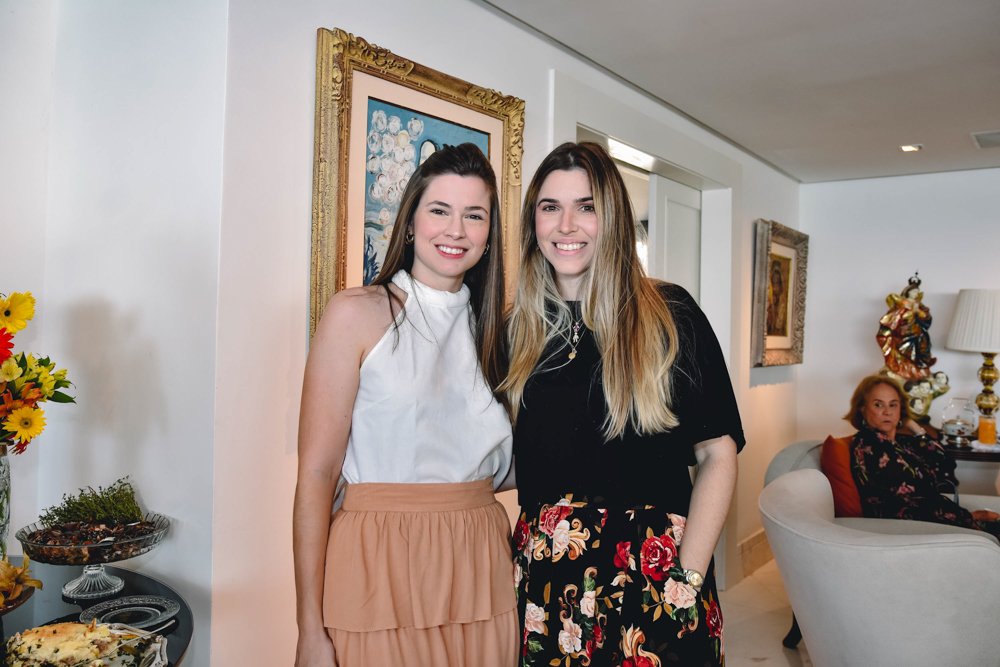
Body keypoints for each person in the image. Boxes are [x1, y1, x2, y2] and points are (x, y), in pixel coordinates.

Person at [503, 142, 743, 666]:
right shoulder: (515, 333)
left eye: (586, 206)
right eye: (550, 207)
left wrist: (687, 578)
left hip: (656, 571)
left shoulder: (670, 315)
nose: (566, 225)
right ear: (533, 222)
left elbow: (717, 455)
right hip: (549, 581)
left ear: (612, 217)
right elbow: (510, 459)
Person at [293, 143, 516, 667]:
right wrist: (308, 628)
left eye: (474, 215)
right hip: (377, 562)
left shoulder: (502, 335)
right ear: (411, 221)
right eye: (440, 210)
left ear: (489, 234)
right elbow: (317, 475)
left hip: (482, 563)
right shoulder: (355, 314)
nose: (456, 230)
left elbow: (513, 462)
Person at [846, 375, 1000, 535]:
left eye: (893, 405)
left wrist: (914, 427)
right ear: (862, 409)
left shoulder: (902, 442)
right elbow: (911, 503)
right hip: (911, 529)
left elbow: (946, 463)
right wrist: (970, 516)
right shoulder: (870, 445)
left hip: (937, 521)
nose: (887, 412)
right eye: (878, 405)